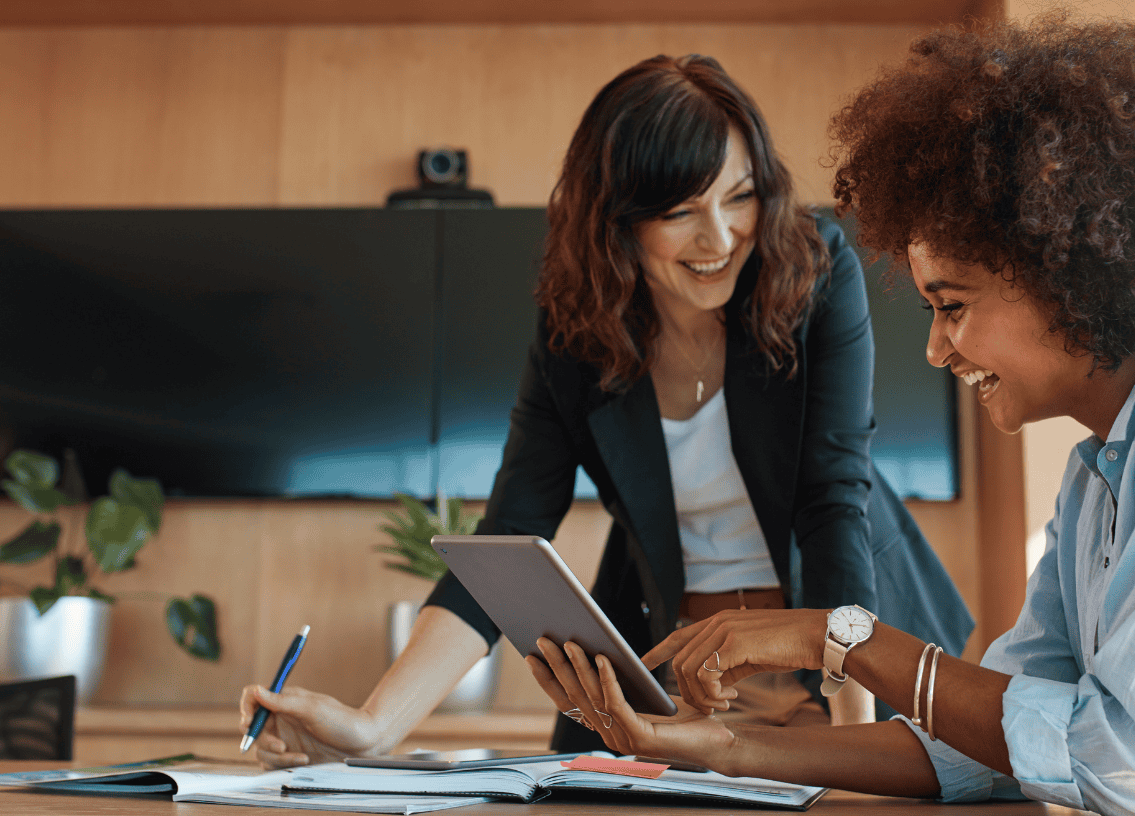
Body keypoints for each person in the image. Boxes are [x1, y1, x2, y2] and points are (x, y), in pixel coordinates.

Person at [528, 15, 1135, 816]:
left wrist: (838, 636)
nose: (937, 350)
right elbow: (984, 751)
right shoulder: (1097, 479)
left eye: (951, 306)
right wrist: (716, 748)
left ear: (1064, 272)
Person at [240, 54, 973, 768]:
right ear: (618, 220)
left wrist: (857, 737)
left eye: (740, 195)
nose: (719, 238)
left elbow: (831, 501)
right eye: (681, 211)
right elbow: (511, 533)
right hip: (679, 678)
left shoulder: (813, 270)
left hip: (843, 662)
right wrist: (372, 727)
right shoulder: (577, 328)